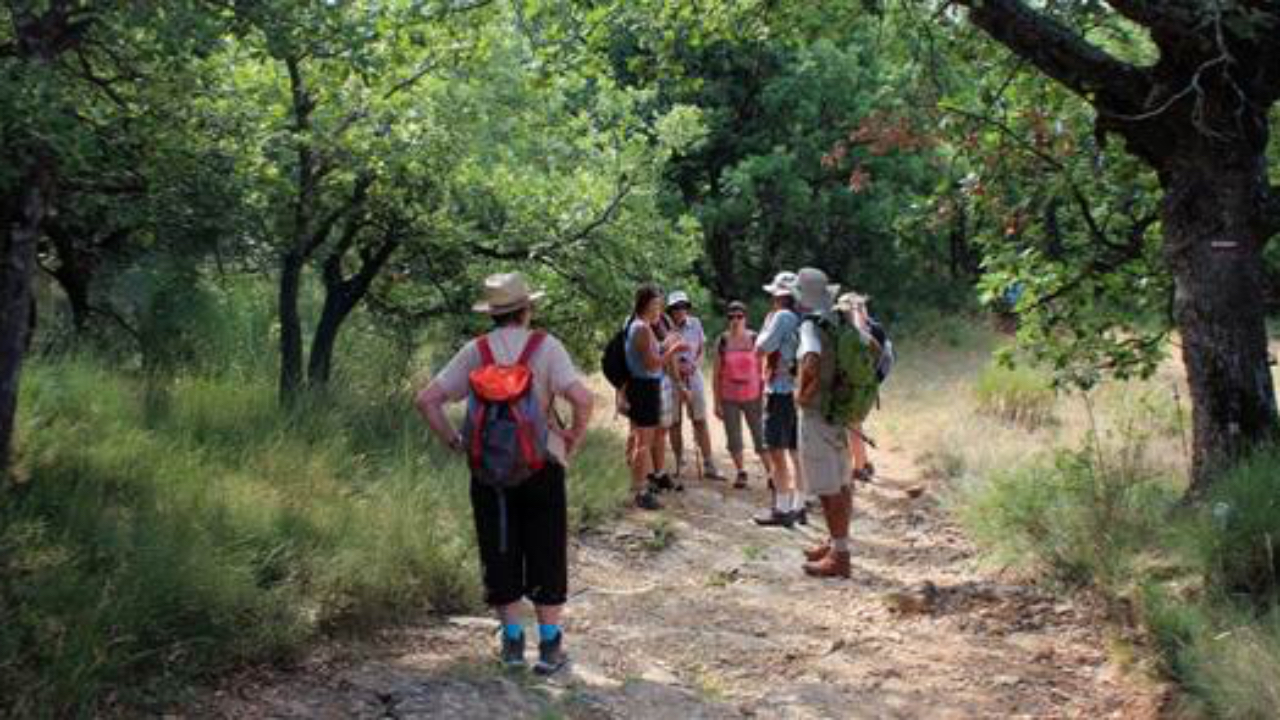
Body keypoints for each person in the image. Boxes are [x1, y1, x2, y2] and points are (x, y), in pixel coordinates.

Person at [416, 272, 595, 674]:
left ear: (494, 314)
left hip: (489, 470)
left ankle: (512, 643)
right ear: (527, 309)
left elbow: (427, 399)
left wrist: (455, 442)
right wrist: (572, 439)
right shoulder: (546, 347)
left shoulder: (476, 351)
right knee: (546, 550)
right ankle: (549, 647)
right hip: (542, 464)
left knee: (500, 549)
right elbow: (583, 398)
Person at [794, 268, 855, 578]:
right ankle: (836, 544)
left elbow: (812, 361)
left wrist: (803, 395)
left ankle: (839, 557)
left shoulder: (810, 325)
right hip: (840, 412)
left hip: (818, 414)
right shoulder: (841, 320)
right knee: (842, 483)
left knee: (828, 488)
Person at [624, 284, 687, 510]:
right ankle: (640, 490)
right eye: (656, 304)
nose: (659, 308)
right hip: (643, 387)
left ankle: (640, 487)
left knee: (644, 440)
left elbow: (652, 355)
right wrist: (673, 349)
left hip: (646, 386)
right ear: (646, 304)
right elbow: (652, 363)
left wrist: (666, 345)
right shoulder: (640, 327)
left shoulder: (644, 326)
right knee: (644, 442)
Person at [754, 272, 805, 527]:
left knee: (776, 451)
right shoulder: (800, 317)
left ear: (780, 295)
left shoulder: (782, 317)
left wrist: (766, 325)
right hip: (798, 392)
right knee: (796, 452)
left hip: (781, 392)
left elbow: (760, 348)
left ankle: (782, 509)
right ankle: (800, 504)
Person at [665, 291, 724, 481]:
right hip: (672, 379)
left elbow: (701, 350)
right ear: (670, 310)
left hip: (694, 376)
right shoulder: (666, 328)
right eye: (676, 307)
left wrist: (693, 365)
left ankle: (709, 464)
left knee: (699, 419)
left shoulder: (696, 323)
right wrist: (679, 378)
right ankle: (679, 462)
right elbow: (667, 356)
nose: (680, 310)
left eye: (683, 306)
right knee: (675, 422)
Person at [713, 300, 769, 489]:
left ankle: (771, 474)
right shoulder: (722, 341)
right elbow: (716, 374)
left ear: (745, 317)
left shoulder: (755, 339)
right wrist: (716, 402)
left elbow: (764, 369)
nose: (735, 320)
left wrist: (764, 395)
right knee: (734, 438)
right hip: (729, 397)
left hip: (753, 395)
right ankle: (741, 472)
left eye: (739, 316)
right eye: (731, 317)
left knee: (761, 437)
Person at [835, 292, 884, 484]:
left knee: (852, 427)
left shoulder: (867, 331)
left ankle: (859, 468)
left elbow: (868, 349)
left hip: (858, 388)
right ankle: (862, 464)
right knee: (853, 427)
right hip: (859, 387)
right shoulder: (852, 329)